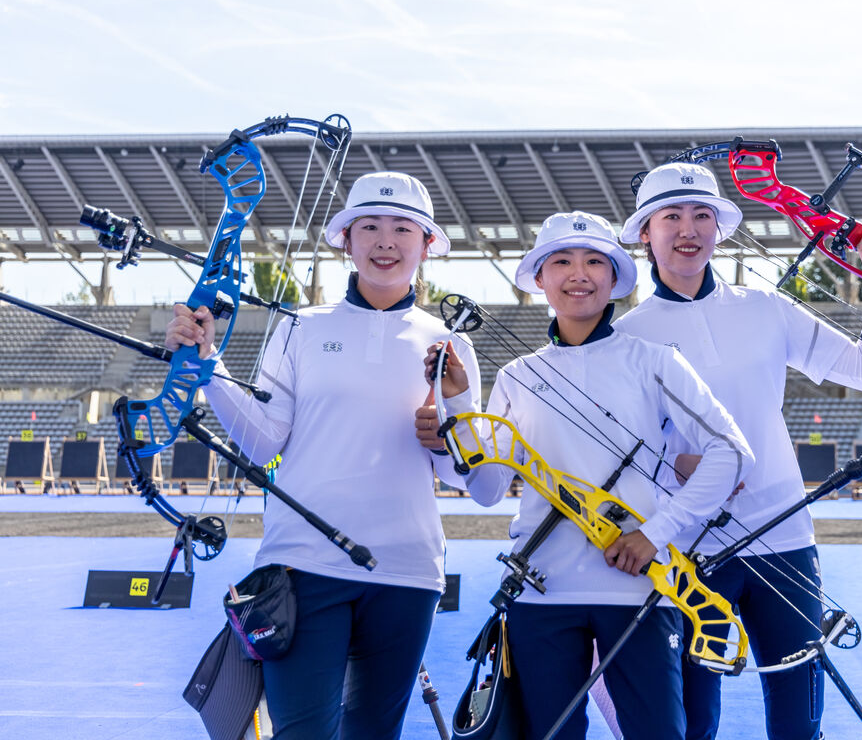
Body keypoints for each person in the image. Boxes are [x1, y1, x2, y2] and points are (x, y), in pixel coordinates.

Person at [164, 171, 481, 740]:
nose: (386, 241)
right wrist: (207, 366)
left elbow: (470, 478)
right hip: (302, 567)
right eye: (370, 227)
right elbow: (263, 441)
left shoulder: (450, 345)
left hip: (406, 572)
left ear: (428, 244)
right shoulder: (299, 328)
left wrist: (451, 423)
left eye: (402, 228)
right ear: (346, 240)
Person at [416, 210, 754, 740]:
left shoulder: (655, 360)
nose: (579, 273)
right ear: (541, 279)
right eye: (563, 262)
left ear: (615, 278)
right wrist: (456, 399)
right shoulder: (515, 376)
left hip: (640, 588)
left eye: (595, 261)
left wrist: (653, 534)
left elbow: (733, 454)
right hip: (541, 593)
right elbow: (484, 490)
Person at [613, 162, 862, 740]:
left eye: (702, 215)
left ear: (720, 229)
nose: (688, 228)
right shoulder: (628, 335)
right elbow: (618, 449)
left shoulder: (768, 308)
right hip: (686, 546)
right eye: (671, 216)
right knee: (692, 721)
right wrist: (676, 464)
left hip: (784, 535)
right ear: (646, 232)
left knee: (798, 719)